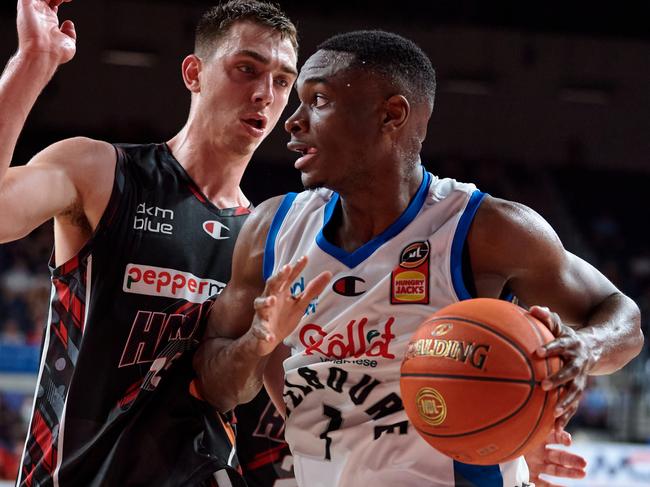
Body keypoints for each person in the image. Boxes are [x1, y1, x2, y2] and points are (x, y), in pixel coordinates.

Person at [193, 30, 644, 487]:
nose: (293, 121)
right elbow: (217, 388)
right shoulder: (272, 230)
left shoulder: (483, 229)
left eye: (320, 100)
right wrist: (259, 339)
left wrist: (585, 349)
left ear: (391, 114)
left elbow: (622, 317)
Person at [0, 0, 299, 485]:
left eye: (283, 81)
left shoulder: (268, 236)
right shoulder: (99, 171)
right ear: (194, 73)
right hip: (74, 471)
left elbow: (242, 392)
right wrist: (32, 62)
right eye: (248, 69)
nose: (265, 93)